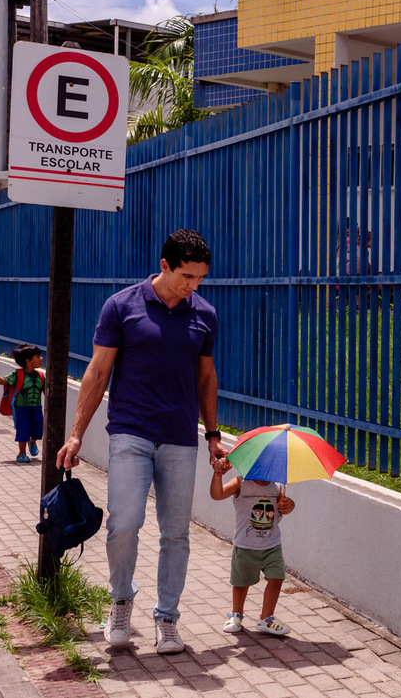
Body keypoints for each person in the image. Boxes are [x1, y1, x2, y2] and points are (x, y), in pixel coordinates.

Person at [55, 229, 224, 656]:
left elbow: (206, 377)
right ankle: (121, 599)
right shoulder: (122, 306)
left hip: (181, 437)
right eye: (187, 275)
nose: (193, 285)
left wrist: (213, 435)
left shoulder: (204, 313)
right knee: (124, 523)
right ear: (164, 265)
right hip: (130, 431)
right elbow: (97, 373)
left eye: (200, 277)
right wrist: (76, 433)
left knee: (176, 533)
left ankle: (167, 619)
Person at [210, 457, 296, 636]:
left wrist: (289, 505)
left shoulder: (277, 487)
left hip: (271, 545)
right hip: (245, 546)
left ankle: (266, 618)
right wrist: (217, 475)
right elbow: (217, 495)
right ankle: (236, 614)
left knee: (277, 578)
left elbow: (285, 509)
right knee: (241, 583)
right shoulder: (240, 483)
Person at [0, 343, 44, 462]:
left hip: (36, 408)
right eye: (38, 356)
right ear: (28, 360)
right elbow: (3, 382)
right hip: (22, 408)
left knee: (38, 430)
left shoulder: (40, 375)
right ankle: (21, 453)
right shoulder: (17, 374)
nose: (41, 358)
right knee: (23, 430)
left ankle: (32, 442)